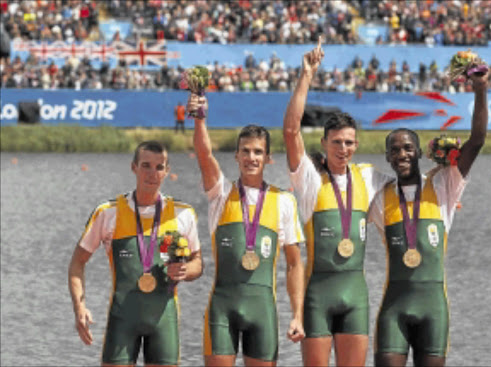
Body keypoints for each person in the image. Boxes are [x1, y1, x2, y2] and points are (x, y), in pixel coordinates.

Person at [282, 38, 392, 366]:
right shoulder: (309, 179)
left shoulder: (370, 177)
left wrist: (441, 197)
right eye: (336, 143)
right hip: (317, 295)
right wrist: (306, 75)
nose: (342, 149)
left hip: (355, 296)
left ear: (356, 145)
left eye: (348, 143)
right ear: (324, 143)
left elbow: (408, 190)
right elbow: (290, 131)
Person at [370, 70, 489, 367]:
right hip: (393, 311)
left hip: (434, 311)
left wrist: (481, 89)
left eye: (408, 148)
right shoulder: (378, 196)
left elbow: (477, 141)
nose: (402, 154)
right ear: (387, 157)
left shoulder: (443, 186)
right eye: (394, 150)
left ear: (420, 152)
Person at [188, 94, 306, 366]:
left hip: (262, 312)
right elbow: (204, 155)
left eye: (257, 152)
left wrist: (297, 314)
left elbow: (294, 265)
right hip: (221, 310)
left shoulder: (284, 201)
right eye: (246, 151)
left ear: (268, 158)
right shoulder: (221, 193)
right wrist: (199, 120)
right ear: (237, 155)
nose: (251, 157)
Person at [68, 140, 203, 366]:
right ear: (134, 167)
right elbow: (77, 263)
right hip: (122, 322)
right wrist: (79, 307)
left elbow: (197, 263)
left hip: (164, 321)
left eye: (159, 167)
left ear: (167, 171)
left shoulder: (182, 214)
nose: (152, 173)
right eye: (146, 165)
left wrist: (186, 270)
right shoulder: (108, 213)